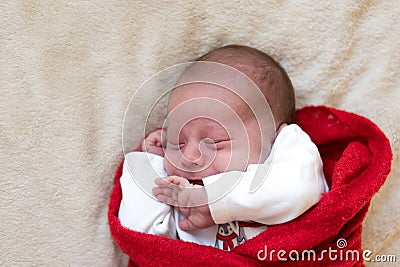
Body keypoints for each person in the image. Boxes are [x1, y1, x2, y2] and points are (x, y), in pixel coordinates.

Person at [118, 45, 328, 250]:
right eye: (176, 142)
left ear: (273, 139)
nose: (189, 157)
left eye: (214, 142)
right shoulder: (178, 195)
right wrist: (150, 163)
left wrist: (213, 200)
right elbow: (139, 237)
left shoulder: (290, 151)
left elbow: (297, 188)